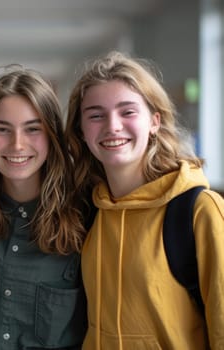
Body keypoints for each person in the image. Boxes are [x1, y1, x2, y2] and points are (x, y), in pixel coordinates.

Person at [65, 51, 224, 349]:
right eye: (96, 115)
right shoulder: (87, 212)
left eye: (127, 112)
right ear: (81, 131)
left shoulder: (198, 211)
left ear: (154, 121)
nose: (112, 126)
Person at [0, 66, 87, 349]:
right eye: (2, 129)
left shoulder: (86, 213)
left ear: (51, 135)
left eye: (33, 129)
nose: (17, 144)